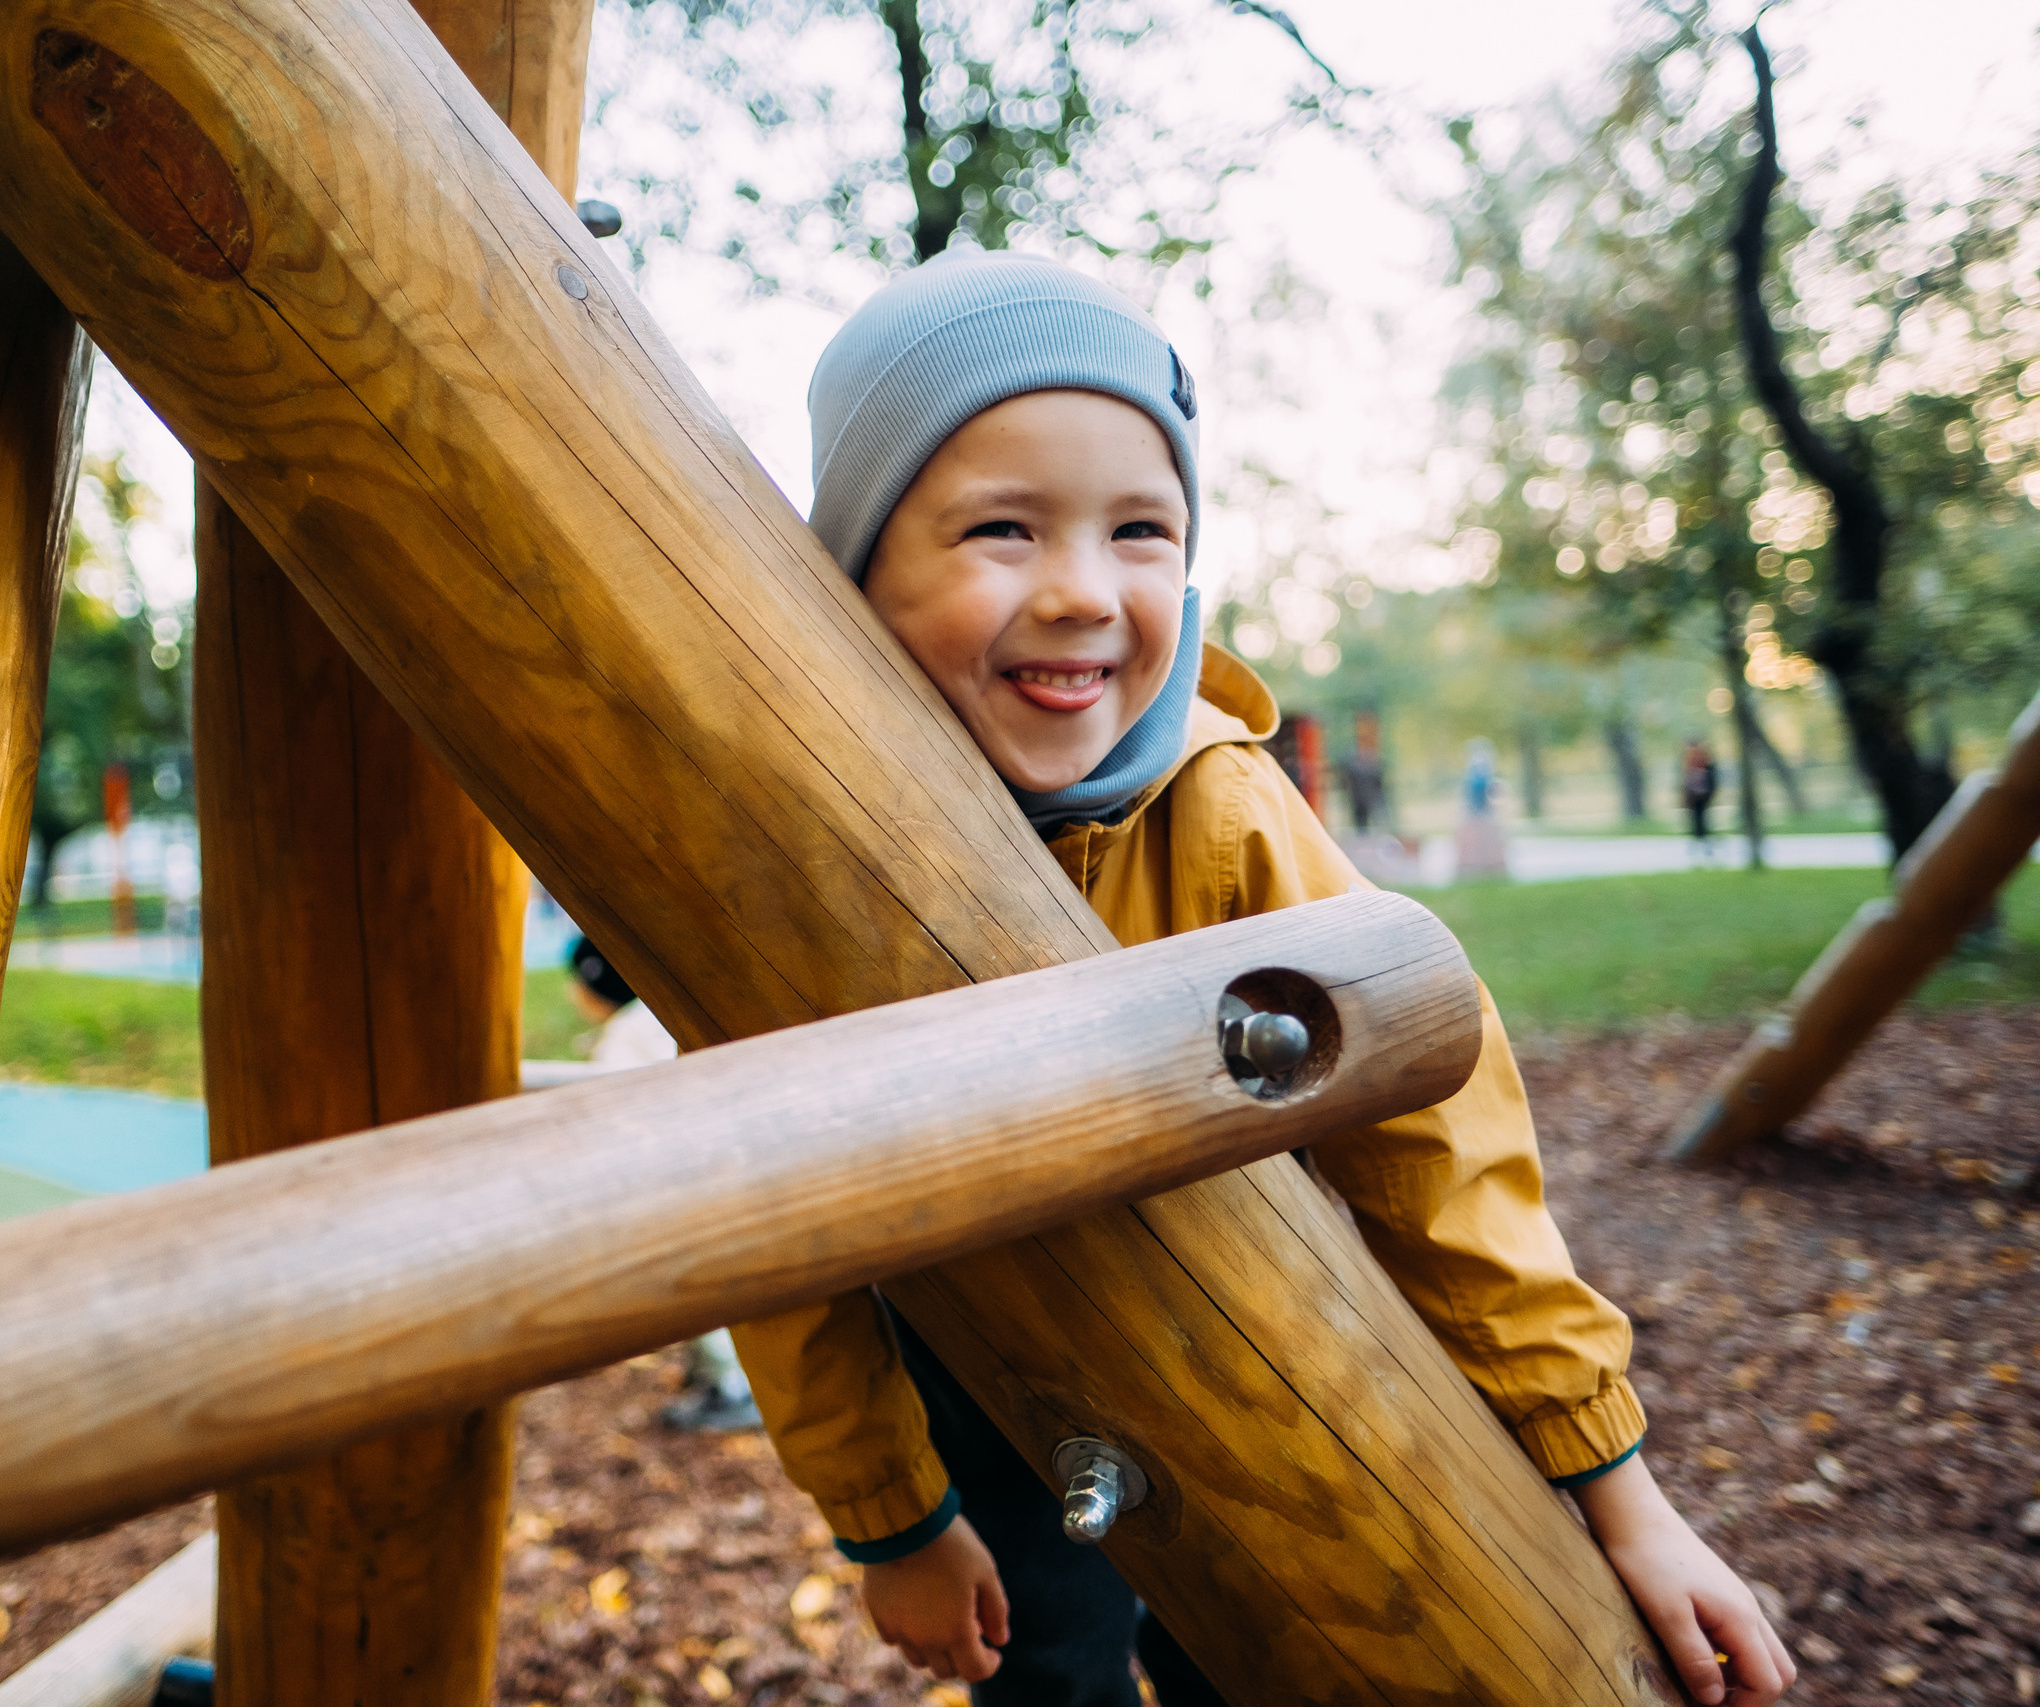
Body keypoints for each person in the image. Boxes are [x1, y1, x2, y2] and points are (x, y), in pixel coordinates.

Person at [721, 253, 1793, 1706]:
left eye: (1140, 530)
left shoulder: (1220, 813)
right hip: (980, 1368)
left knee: (1275, 1648)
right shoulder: (802, 858)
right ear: (855, 562)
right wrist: (890, 1516)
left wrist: (1618, 1490)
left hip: (1255, 1340)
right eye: (1002, 528)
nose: (1083, 593)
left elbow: (1438, 1148)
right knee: (1046, 1671)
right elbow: (772, 1213)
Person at [568, 938, 763, 1432]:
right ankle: (719, 1374)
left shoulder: (622, 1039)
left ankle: (731, 1388)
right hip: (727, 1160)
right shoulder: (652, 1020)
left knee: (695, 1282)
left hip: (675, 1178)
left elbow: (613, 1125)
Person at [1683, 738, 1720, 862]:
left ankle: (1703, 840)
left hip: (1702, 796)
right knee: (1697, 819)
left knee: (1701, 818)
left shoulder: (1703, 763)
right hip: (1695, 796)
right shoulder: (1690, 763)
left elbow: (1711, 780)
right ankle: (1700, 840)